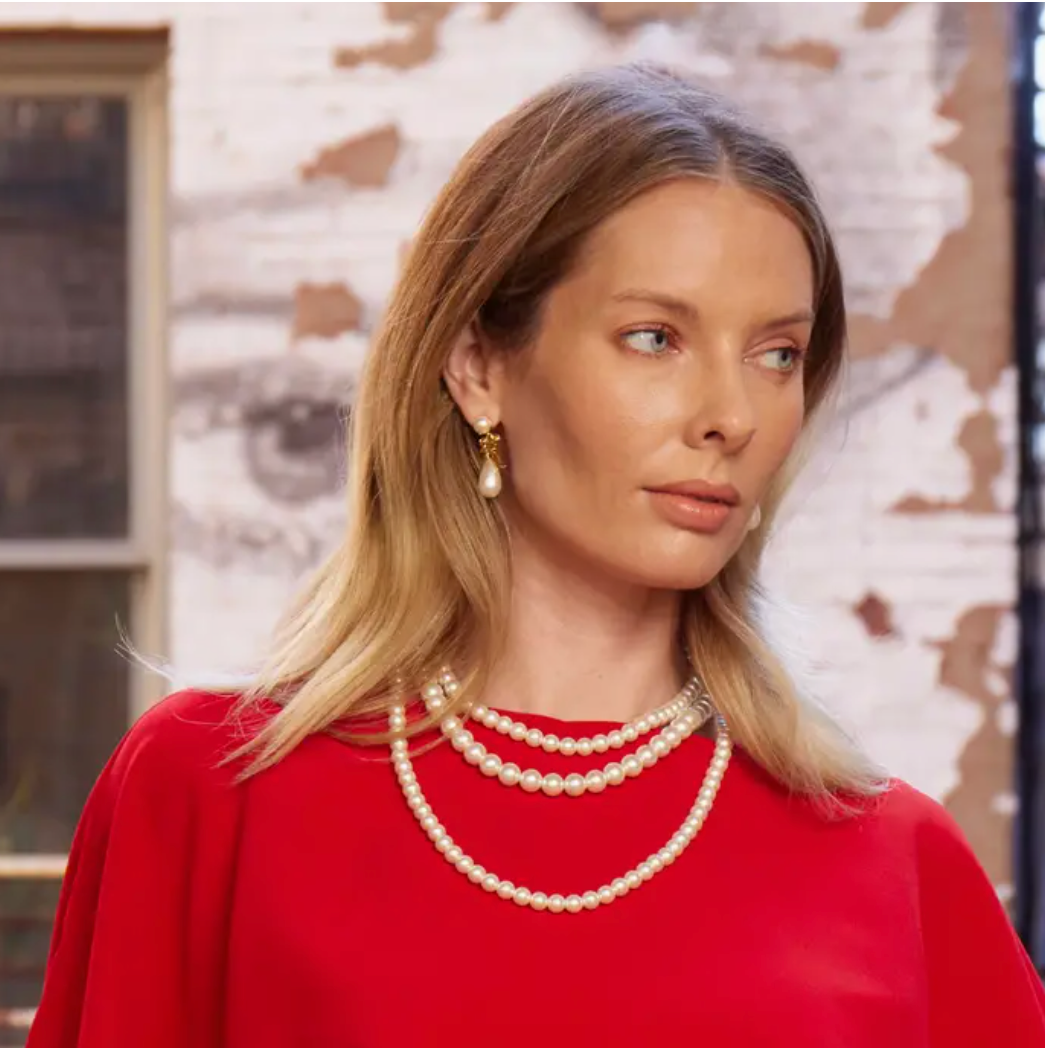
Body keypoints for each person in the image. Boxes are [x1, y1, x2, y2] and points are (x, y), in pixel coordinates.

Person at [28, 64, 1043, 1048]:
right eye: (653, 338)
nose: (731, 416)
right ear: (477, 367)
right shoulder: (208, 798)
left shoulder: (898, 865)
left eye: (776, 353)